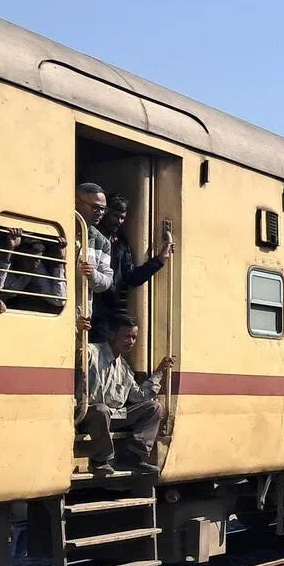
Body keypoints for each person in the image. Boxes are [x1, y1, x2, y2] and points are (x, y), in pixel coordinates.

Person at [78, 313, 172, 476]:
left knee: (154, 407)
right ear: (112, 335)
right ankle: (100, 460)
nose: (131, 342)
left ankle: (134, 456)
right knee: (101, 410)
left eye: (134, 337)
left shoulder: (124, 368)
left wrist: (159, 372)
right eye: (127, 337)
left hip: (114, 416)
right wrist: (80, 335)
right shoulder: (92, 351)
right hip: (88, 415)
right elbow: (78, 353)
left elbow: (138, 396)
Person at [93, 196, 173, 339]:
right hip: (91, 305)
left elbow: (131, 277)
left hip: (109, 311)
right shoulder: (92, 235)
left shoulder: (121, 244)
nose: (119, 221)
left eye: (122, 218)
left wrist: (160, 259)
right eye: (115, 216)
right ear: (105, 213)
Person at [0, 228, 67, 313]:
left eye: (38, 258)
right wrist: (8, 250)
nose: (35, 262)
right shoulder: (3, 261)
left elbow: (59, 299)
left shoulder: (34, 268)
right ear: (18, 253)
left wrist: (59, 260)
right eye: (30, 257)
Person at [75, 183, 114, 299]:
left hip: (80, 312)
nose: (101, 213)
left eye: (103, 209)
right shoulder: (58, 230)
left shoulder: (101, 242)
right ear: (76, 202)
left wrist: (93, 274)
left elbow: (107, 280)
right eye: (96, 207)